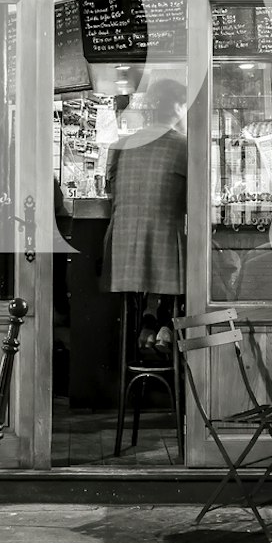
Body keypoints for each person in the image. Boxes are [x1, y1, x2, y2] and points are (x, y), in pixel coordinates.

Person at [104, 78, 188, 357]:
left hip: (123, 256)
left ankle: (149, 321)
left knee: (157, 275)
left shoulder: (120, 146)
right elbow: (197, 203)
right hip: (166, 257)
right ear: (177, 107)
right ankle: (164, 323)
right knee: (202, 269)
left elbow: (111, 194)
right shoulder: (183, 146)